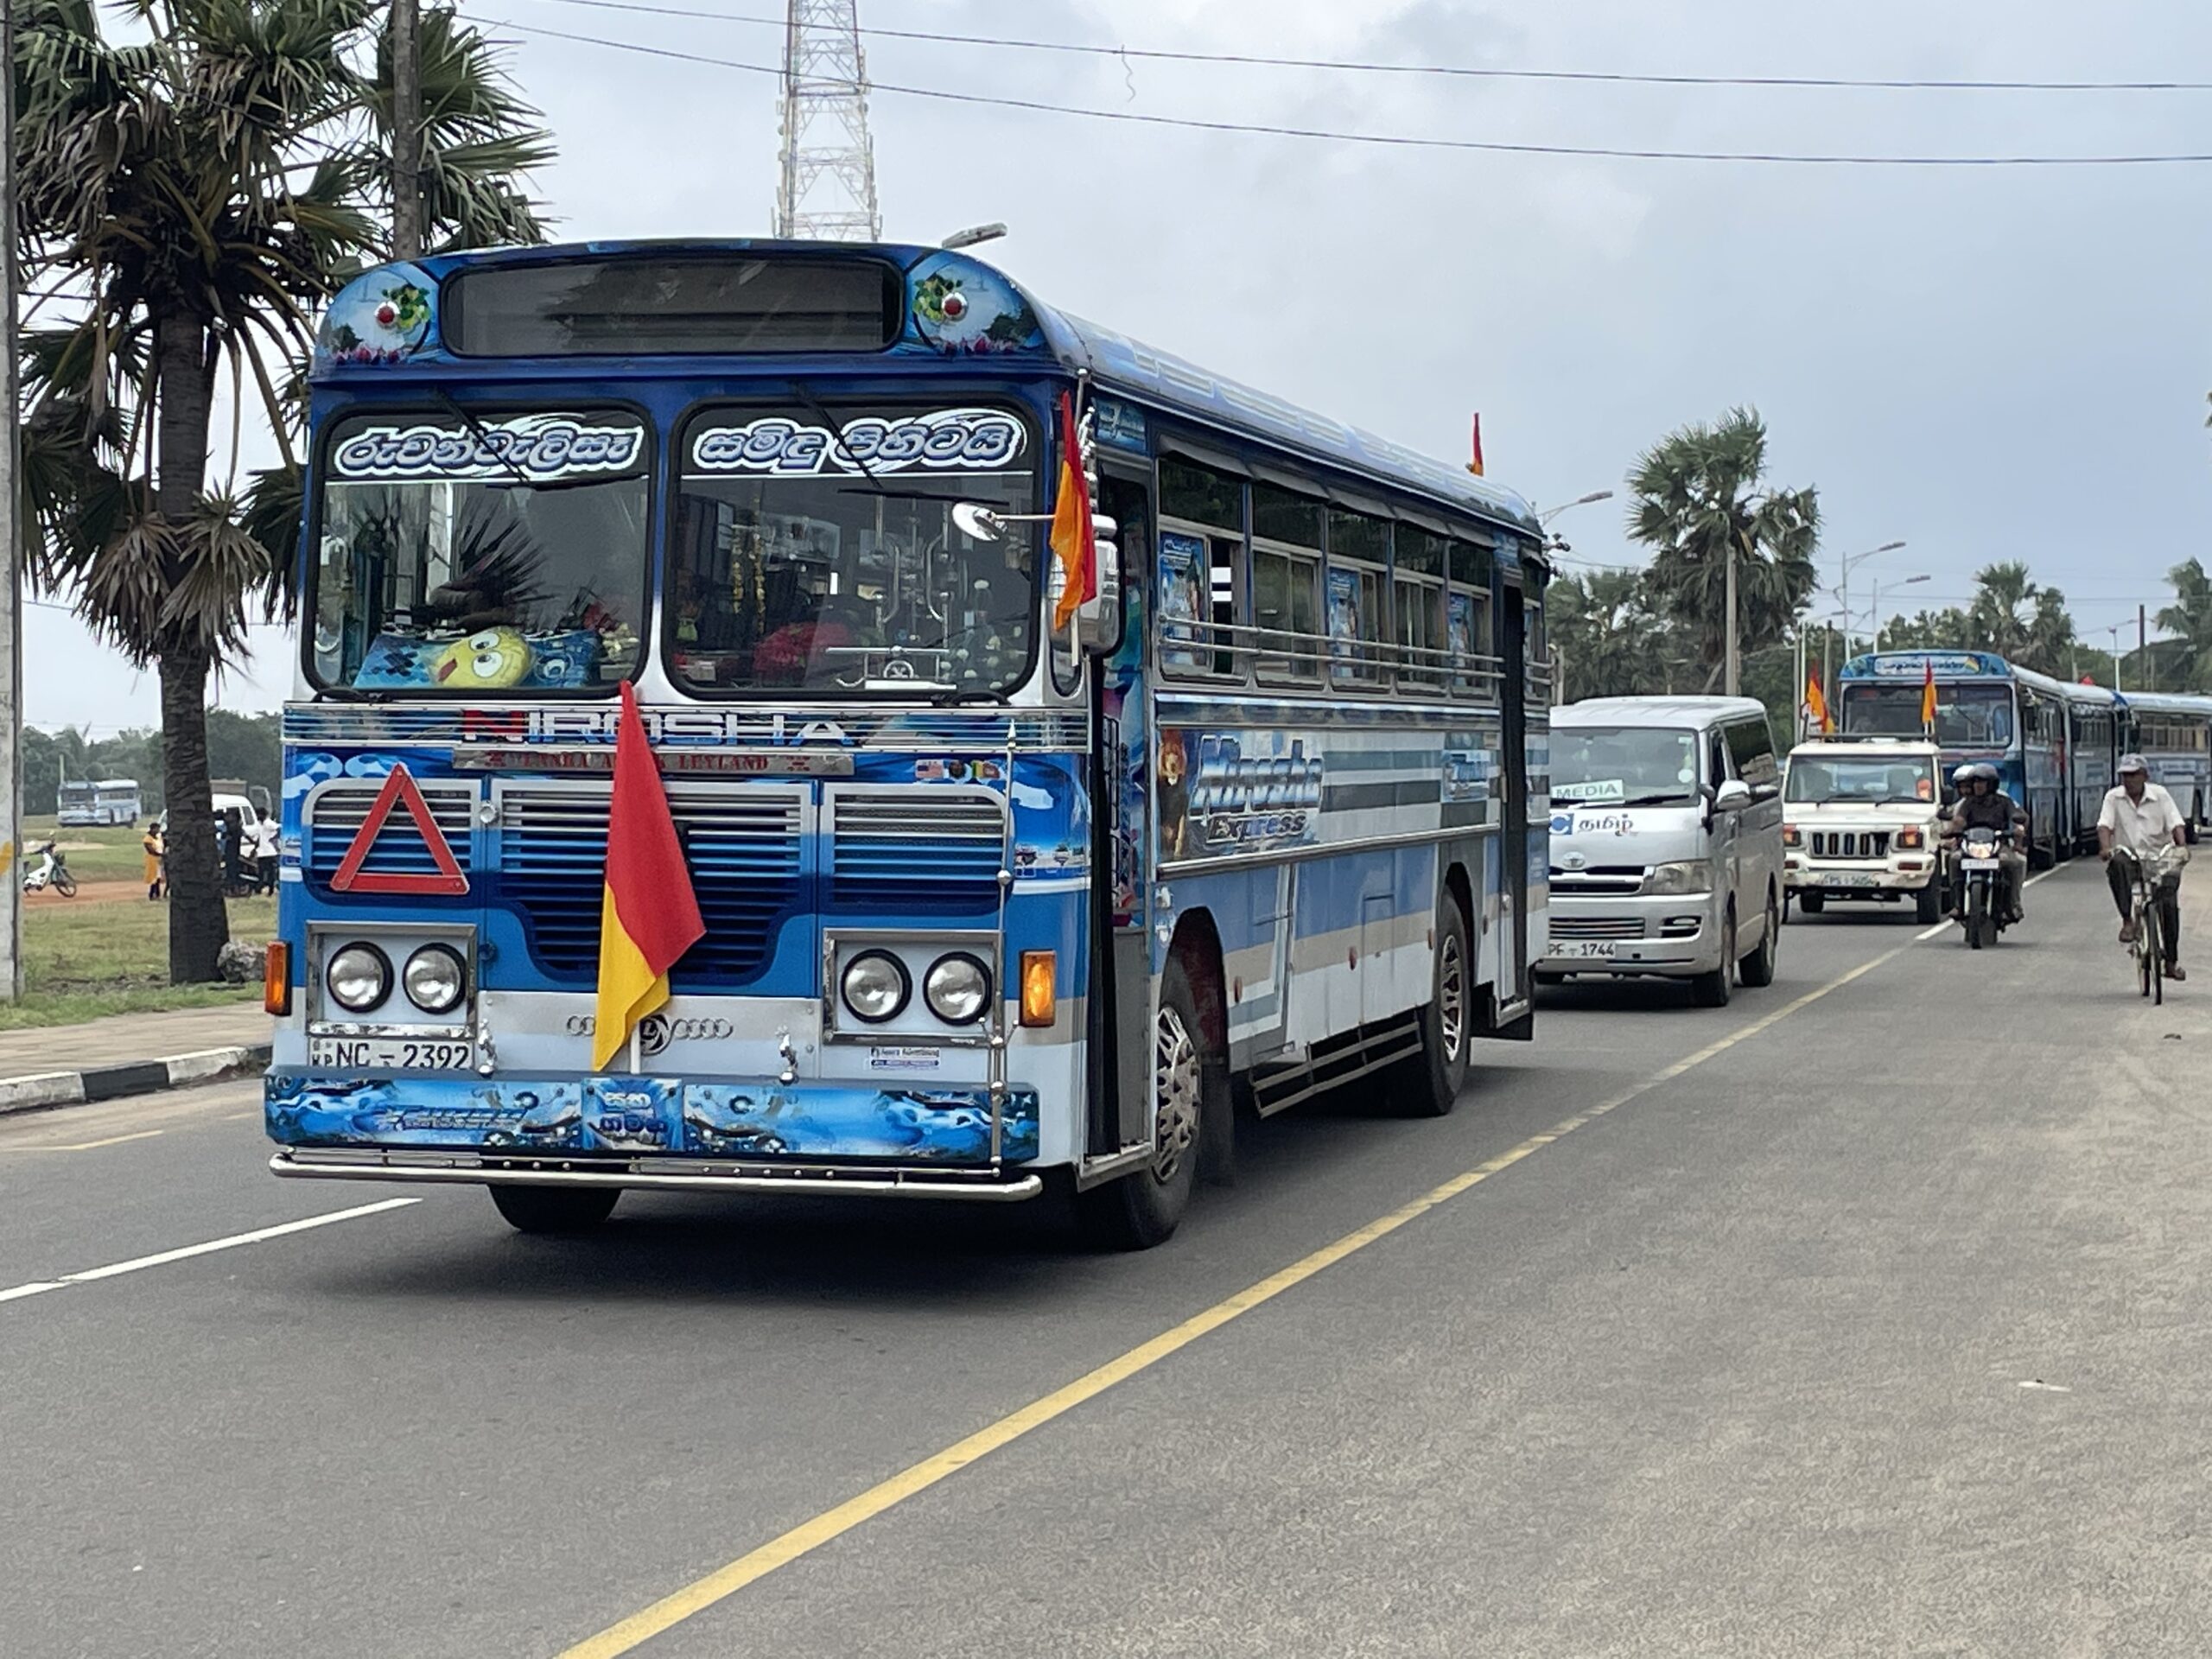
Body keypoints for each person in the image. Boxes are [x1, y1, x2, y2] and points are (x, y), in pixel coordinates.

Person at [2100, 753, 2189, 981]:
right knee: (2116, 864)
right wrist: (2106, 848)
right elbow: (2105, 826)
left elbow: (2176, 823)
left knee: (2168, 903)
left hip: (2160, 857)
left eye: (2134, 775)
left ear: (2145, 776)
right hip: (2129, 856)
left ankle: (2170, 962)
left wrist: (2182, 847)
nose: (2129, 781)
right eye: (2125, 776)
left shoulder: (2160, 795)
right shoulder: (2113, 797)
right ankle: (2128, 922)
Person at [1945, 763, 2027, 925]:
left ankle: (2013, 906)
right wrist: (1954, 829)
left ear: (1991, 784)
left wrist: (2018, 828)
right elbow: (1959, 819)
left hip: (1998, 845)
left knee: (2014, 863)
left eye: (1982, 782)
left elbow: (2017, 816)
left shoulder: (2004, 802)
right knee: (1954, 859)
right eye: (1975, 782)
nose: (1978, 786)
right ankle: (1958, 905)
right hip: (1970, 845)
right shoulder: (1968, 803)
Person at [252, 815, 280, 895]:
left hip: (269, 852)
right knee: (262, 872)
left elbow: (279, 828)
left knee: (269, 873)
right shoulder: (260, 824)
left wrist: (273, 838)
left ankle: (270, 889)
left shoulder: (268, 823)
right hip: (262, 852)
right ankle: (260, 888)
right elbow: (259, 837)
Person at [142, 821, 165, 900]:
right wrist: (161, 854)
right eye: (157, 829)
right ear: (152, 829)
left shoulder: (158, 838)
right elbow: (151, 850)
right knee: (153, 878)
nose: (158, 831)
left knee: (158, 877)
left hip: (158, 860)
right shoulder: (147, 839)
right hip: (152, 859)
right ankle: (152, 895)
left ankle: (157, 894)